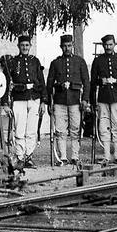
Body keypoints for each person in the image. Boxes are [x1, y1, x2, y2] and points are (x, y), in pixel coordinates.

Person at [46, 34, 89, 167]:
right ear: (61, 47)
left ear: (73, 46)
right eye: (64, 46)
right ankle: (63, 157)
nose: (67, 48)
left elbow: (86, 82)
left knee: (76, 129)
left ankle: (75, 156)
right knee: (60, 130)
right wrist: (49, 102)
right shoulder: (55, 63)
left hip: (76, 101)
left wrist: (85, 99)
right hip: (59, 101)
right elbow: (49, 84)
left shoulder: (80, 62)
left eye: (69, 45)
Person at [4, 36, 45, 170]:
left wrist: (43, 101)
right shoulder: (13, 62)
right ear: (18, 46)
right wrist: (5, 103)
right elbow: (5, 82)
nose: (25, 48)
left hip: (34, 98)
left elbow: (42, 82)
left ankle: (29, 157)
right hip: (19, 98)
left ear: (30, 46)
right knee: (19, 130)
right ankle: (20, 157)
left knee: (32, 130)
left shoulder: (35, 61)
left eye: (27, 45)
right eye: (22, 45)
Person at [90, 34, 117, 165]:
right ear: (103, 46)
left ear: (114, 44)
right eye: (106, 45)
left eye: (110, 44)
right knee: (104, 127)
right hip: (103, 98)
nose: (108, 47)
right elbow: (93, 83)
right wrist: (93, 102)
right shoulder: (98, 60)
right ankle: (106, 155)